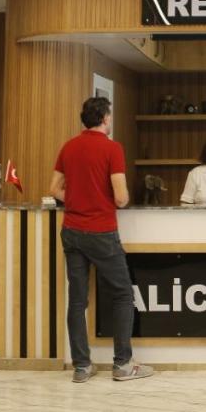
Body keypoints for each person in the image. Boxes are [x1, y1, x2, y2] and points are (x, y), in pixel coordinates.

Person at [48, 96, 154, 383]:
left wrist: (77, 199)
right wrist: (105, 198)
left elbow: (54, 189)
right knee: (122, 294)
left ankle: (82, 367)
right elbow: (120, 198)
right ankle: (122, 365)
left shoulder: (69, 147)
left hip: (71, 231)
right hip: (101, 232)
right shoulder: (112, 148)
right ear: (106, 118)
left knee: (77, 300)